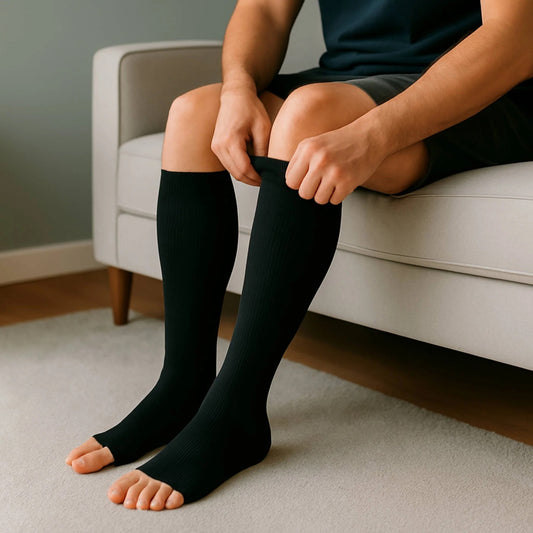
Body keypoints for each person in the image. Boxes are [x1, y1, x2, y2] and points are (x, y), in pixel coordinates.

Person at [66, 0, 533, 510]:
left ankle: (236, 413)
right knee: (194, 113)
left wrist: (372, 134)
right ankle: (183, 385)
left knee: (309, 113)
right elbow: (265, 11)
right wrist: (238, 90)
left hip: (482, 93)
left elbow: (513, 39)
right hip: (352, 81)